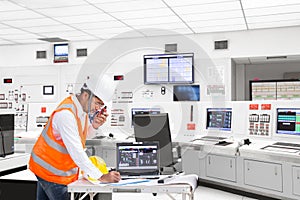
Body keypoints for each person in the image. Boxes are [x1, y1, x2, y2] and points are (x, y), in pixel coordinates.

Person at [29, 75, 120, 200]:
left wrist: (94, 126)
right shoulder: (66, 115)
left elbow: (82, 136)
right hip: (53, 173)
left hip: (49, 170)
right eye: (97, 103)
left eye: (101, 105)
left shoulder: (81, 111)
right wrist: (101, 176)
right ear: (86, 95)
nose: (98, 108)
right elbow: (76, 151)